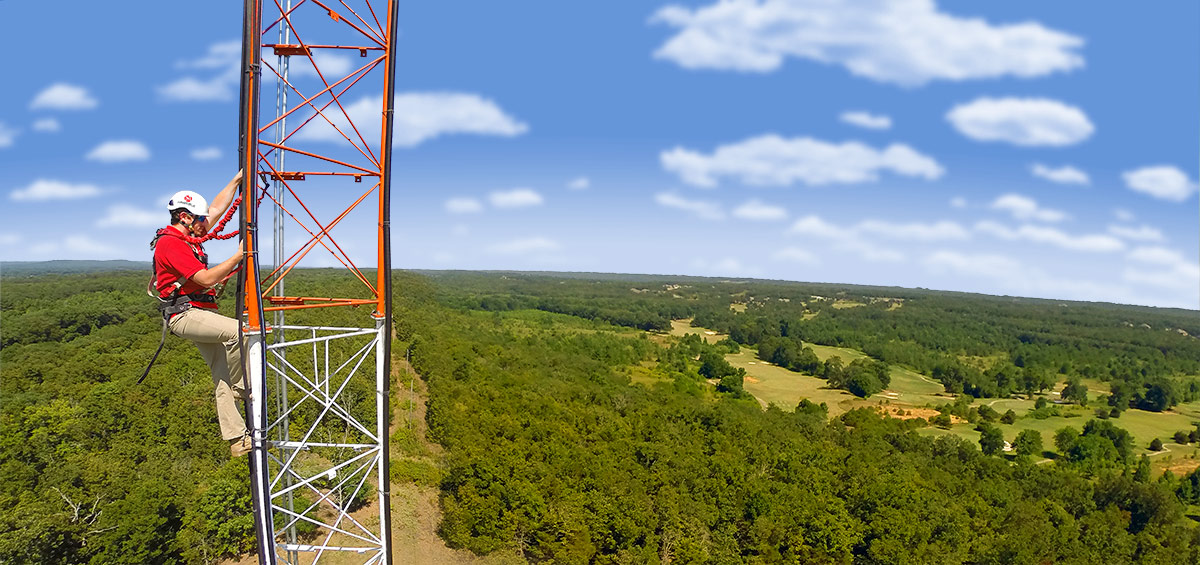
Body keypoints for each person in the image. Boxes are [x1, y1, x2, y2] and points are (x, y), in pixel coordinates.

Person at [151, 170, 252, 457]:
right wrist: (238, 256)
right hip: (185, 314)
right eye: (199, 219)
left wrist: (235, 181)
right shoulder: (171, 243)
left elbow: (217, 209)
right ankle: (244, 389)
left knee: (222, 376)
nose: (205, 224)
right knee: (240, 332)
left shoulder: (188, 235)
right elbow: (206, 279)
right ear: (185, 217)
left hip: (199, 311)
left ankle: (237, 439)